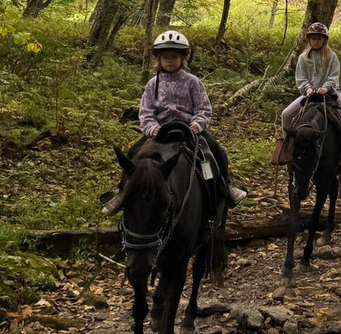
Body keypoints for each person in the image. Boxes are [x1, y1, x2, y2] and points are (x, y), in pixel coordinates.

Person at [102, 31, 246, 215]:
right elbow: (146, 111)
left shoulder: (193, 82)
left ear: (183, 58)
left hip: (189, 130)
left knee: (215, 150)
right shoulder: (153, 84)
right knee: (133, 154)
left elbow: (203, 108)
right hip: (160, 132)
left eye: (174, 57)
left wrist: (197, 124)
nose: (170, 61)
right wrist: (152, 128)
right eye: (165, 57)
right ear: (159, 59)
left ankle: (226, 187)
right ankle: (122, 192)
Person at [278, 23, 341, 169]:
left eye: (319, 39)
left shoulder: (332, 57)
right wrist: (307, 89)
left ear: (324, 40)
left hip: (331, 93)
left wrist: (325, 88)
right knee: (286, 113)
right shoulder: (303, 58)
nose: (316, 41)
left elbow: (334, 77)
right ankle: (286, 145)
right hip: (309, 95)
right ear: (309, 40)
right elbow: (301, 78)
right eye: (313, 38)